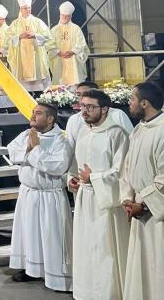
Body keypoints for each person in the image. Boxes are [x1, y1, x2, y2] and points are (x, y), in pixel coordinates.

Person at [68, 89, 130, 300]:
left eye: (89, 107)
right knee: (85, 248)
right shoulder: (84, 131)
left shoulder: (116, 133)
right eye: (82, 106)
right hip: (85, 199)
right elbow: (75, 164)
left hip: (106, 202)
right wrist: (73, 179)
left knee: (105, 251)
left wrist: (94, 178)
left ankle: (108, 294)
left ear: (105, 109)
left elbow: (122, 170)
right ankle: (86, 293)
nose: (84, 111)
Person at [8, 102, 73, 292]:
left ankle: (56, 275)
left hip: (49, 197)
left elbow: (57, 166)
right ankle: (31, 269)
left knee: (51, 235)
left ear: (51, 118)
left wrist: (34, 150)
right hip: (28, 193)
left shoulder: (62, 140)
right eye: (33, 112)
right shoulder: (27, 134)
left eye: (38, 113)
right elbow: (12, 152)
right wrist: (30, 150)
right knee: (29, 233)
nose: (33, 116)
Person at [119, 82, 164, 300]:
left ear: (144, 103)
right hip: (139, 207)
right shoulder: (138, 129)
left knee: (158, 267)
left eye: (133, 99)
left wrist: (144, 205)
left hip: (157, 214)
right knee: (143, 268)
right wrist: (128, 199)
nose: (130, 103)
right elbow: (127, 168)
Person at [65, 81, 133, 151]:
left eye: (86, 94)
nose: (82, 98)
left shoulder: (118, 115)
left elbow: (131, 141)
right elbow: (69, 148)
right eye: (79, 95)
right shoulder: (74, 119)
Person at [7, 0, 54, 93]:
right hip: (21, 59)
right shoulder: (15, 24)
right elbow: (7, 40)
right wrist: (19, 36)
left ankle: (38, 96)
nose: (27, 10)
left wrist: (35, 35)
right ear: (20, 9)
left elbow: (48, 36)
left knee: (38, 83)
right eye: (25, 8)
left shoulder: (37, 22)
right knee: (23, 85)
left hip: (36, 57)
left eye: (29, 8)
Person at [50, 1, 89, 89]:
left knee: (74, 87)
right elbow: (49, 44)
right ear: (60, 15)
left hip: (73, 61)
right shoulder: (54, 30)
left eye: (67, 16)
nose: (64, 17)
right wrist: (57, 52)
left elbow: (81, 44)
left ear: (70, 16)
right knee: (59, 88)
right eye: (63, 15)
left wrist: (72, 51)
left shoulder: (76, 28)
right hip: (59, 60)